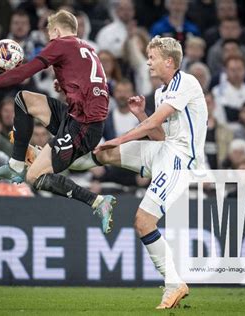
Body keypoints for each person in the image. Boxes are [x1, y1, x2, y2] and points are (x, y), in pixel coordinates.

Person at [72, 36, 207, 308]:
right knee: (102, 153)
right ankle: (45, 159)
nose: (148, 62)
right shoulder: (160, 92)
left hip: (181, 161)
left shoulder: (188, 83)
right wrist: (140, 114)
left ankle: (174, 283)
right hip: (164, 150)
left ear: (169, 61)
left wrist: (122, 137)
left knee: (144, 222)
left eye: (153, 57)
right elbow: (159, 134)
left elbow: (156, 124)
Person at [0, 10, 116, 234]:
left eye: (49, 35)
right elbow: (92, 86)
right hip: (75, 116)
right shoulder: (87, 48)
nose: (49, 41)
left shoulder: (61, 44)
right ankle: (15, 165)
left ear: (56, 30)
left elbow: (22, 73)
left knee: (35, 176)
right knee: (23, 100)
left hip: (84, 128)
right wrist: (63, 86)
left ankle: (96, 201)